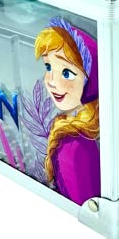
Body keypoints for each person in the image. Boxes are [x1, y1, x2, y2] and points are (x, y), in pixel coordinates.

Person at [35, 17, 100, 205]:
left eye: (66, 73)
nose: (52, 82)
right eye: (48, 67)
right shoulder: (75, 132)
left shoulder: (74, 144)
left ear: (90, 80)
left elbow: (84, 202)